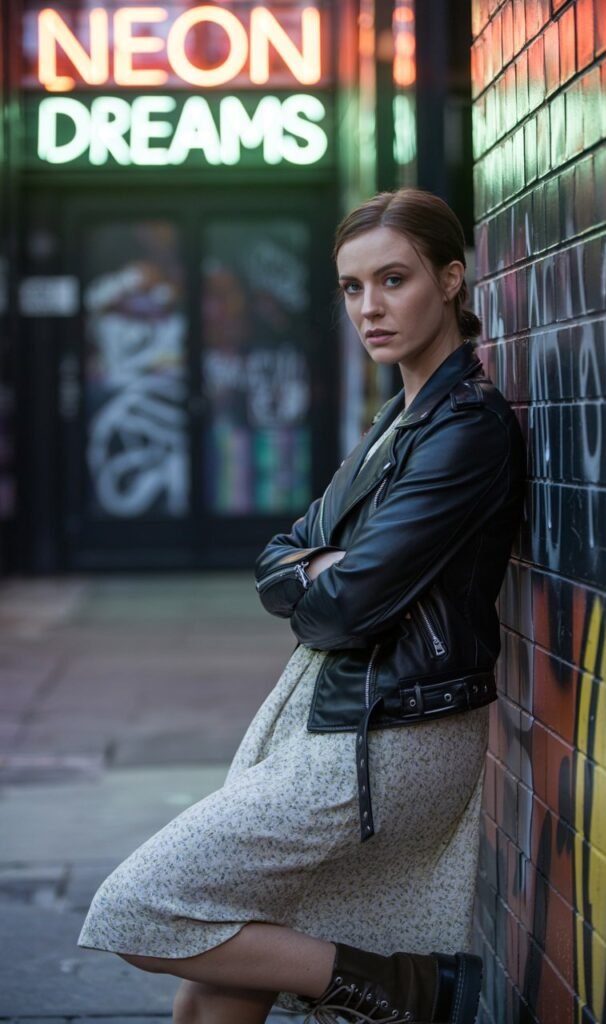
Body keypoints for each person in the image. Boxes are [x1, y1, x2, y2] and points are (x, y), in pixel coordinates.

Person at [77, 189, 525, 1024]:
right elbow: (277, 559)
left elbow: (342, 611)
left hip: (388, 735)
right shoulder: (399, 421)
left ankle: (414, 991)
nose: (369, 308)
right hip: (338, 717)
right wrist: (317, 565)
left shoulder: (466, 429)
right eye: (353, 287)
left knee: (145, 906)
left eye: (393, 279)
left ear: (451, 279)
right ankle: (391, 987)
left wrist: (319, 573)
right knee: (211, 988)